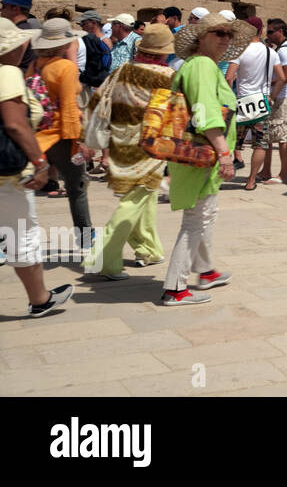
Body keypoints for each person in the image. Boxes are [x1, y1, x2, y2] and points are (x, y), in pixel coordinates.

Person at [162, 15, 254, 306]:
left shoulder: (203, 65)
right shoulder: (202, 65)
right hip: (203, 153)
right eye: (218, 32)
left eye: (228, 33)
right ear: (201, 37)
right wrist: (225, 154)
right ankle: (175, 288)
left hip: (203, 153)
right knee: (196, 219)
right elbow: (205, 113)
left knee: (205, 215)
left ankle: (204, 271)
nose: (225, 37)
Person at [83, 23, 176, 279]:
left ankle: (149, 248)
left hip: (119, 142)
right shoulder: (166, 77)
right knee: (136, 198)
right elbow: (173, 117)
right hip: (149, 146)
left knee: (144, 195)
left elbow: (95, 101)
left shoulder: (124, 70)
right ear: (164, 52)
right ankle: (105, 259)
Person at [0, 18, 75, 317]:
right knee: (22, 235)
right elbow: (15, 124)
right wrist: (41, 164)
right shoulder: (7, 72)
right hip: (8, 175)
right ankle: (40, 298)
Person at [29, 18, 93, 249]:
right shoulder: (66, 68)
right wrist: (80, 142)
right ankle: (86, 239)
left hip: (37, 137)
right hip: (61, 137)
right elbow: (68, 107)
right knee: (77, 189)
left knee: (27, 191)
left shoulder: (36, 65)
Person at [226, 16, 284, 186]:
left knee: (233, 140)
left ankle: (224, 171)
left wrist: (230, 96)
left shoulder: (240, 50)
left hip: (242, 100)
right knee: (260, 144)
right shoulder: (270, 52)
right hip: (261, 101)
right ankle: (251, 180)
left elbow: (229, 77)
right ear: (261, 31)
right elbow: (281, 77)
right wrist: (272, 96)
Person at [258, 19, 287, 184]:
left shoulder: (284, 51)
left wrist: (270, 84)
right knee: (269, 135)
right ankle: (266, 170)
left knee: (281, 136)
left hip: (282, 96)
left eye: (271, 32)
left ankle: (283, 174)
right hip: (283, 95)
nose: (268, 35)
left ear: (280, 31)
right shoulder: (285, 48)